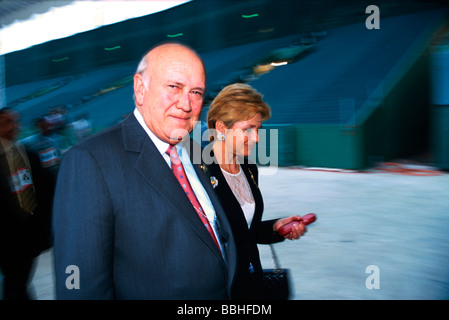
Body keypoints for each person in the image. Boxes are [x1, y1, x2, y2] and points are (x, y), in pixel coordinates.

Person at [52, 42, 237, 300]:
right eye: (174, 87)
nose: (186, 104)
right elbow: (78, 283)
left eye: (196, 92)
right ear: (140, 89)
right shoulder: (88, 161)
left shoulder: (194, 152)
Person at [205, 83, 306, 300]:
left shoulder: (248, 168)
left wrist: (276, 228)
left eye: (258, 129)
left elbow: (244, 231)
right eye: (248, 129)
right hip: (219, 288)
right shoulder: (199, 174)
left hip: (251, 284)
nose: (256, 138)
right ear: (221, 128)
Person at [0, 108, 54, 300]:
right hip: (6, 235)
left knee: (19, 280)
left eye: (16, 122)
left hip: (29, 232)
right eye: (6, 122)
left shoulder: (29, 155)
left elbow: (45, 192)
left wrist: (46, 228)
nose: (13, 126)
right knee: (16, 280)